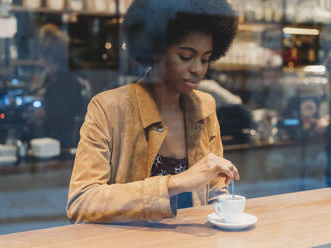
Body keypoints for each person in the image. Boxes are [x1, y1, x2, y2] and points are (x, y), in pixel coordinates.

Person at [67, 0, 239, 223]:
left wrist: (226, 209)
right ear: (155, 51)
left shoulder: (204, 107)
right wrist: (174, 184)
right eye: (186, 56)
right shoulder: (108, 109)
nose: (198, 69)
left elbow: (214, 190)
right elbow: (81, 202)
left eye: (205, 59)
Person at [37, 24, 89, 149]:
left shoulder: (66, 84)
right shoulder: (52, 79)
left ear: (51, 59)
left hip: (63, 146)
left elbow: (63, 121)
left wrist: (43, 115)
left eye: (44, 59)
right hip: (56, 144)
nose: (42, 62)